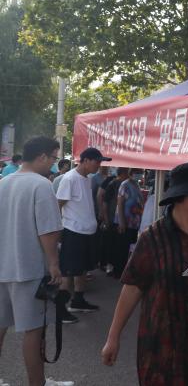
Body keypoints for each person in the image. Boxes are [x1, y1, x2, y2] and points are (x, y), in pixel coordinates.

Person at [101, 161, 188, 385]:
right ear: (180, 195)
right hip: (163, 342)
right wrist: (113, 337)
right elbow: (132, 288)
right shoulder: (152, 237)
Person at [0, 136, 74, 386]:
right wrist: (54, 264)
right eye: (53, 157)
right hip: (29, 269)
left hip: (3, 266)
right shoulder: (41, 185)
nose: (54, 163)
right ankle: (37, 383)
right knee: (34, 331)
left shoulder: (3, 183)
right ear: (42, 156)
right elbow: (49, 230)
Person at [56, 147, 111, 322]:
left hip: (87, 232)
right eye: (97, 161)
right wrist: (57, 231)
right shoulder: (69, 179)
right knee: (68, 271)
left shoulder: (87, 179)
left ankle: (78, 300)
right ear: (86, 160)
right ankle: (60, 310)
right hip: (73, 232)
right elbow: (58, 205)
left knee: (82, 269)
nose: (99, 165)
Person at [112, 168, 143, 278]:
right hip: (125, 222)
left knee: (129, 249)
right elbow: (120, 204)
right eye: (138, 173)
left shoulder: (136, 185)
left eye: (141, 173)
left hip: (134, 223)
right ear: (131, 173)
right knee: (122, 248)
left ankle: (126, 272)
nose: (140, 175)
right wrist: (121, 222)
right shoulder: (125, 184)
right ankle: (118, 272)